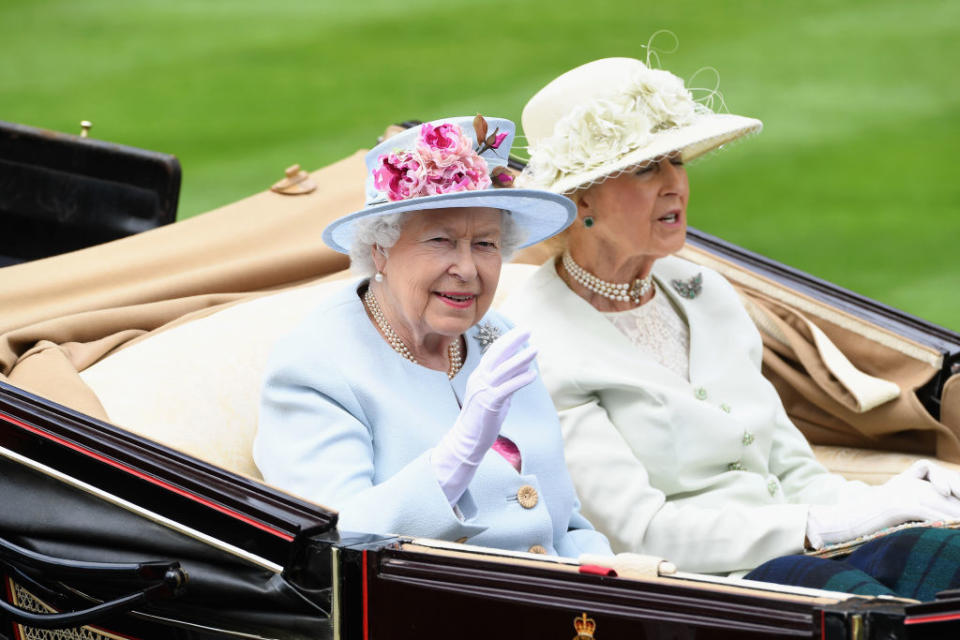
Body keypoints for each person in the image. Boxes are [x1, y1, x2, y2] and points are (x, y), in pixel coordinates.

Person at [503, 57, 960, 598]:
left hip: (805, 547)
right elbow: (640, 532)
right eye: (647, 167)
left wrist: (889, 502)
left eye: (676, 160)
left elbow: (794, 472)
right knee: (869, 611)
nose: (676, 183)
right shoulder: (536, 341)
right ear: (582, 199)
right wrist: (822, 526)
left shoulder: (706, 292)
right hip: (707, 587)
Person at [254, 116, 613, 558]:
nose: (466, 269)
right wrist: (457, 456)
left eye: (485, 244)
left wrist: (616, 585)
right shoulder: (316, 367)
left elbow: (567, 523)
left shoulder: (499, 336)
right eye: (441, 240)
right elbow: (335, 547)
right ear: (379, 250)